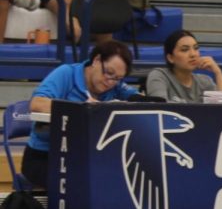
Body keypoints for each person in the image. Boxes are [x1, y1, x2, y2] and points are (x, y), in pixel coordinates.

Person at [22, 38, 136, 188]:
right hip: (46, 157)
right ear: (96, 60)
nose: (110, 82)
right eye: (109, 73)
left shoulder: (116, 85)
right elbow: (37, 104)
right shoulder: (66, 73)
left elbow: (138, 98)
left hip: (87, 158)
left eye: (117, 78)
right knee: (84, 184)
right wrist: (82, 108)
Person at [144, 30, 222, 103]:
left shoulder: (205, 81)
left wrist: (218, 72)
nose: (193, 54)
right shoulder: (159, 76)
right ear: (170, 58)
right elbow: (160, 108)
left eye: (196, 48)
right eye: (184, 50)